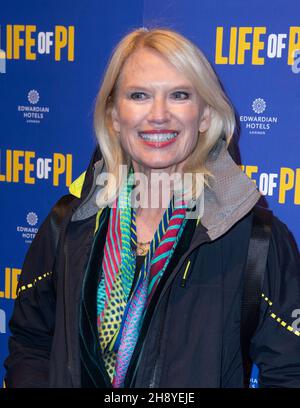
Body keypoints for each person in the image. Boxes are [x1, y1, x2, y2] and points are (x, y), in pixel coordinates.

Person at [4, 28, 300, 388]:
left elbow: (290, 371)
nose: (158, 115)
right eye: (139, 95)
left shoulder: (255, 238)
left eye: (179, 95)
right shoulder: (68, 223)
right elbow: (31, 341)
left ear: (205, 116)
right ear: (114, 115)